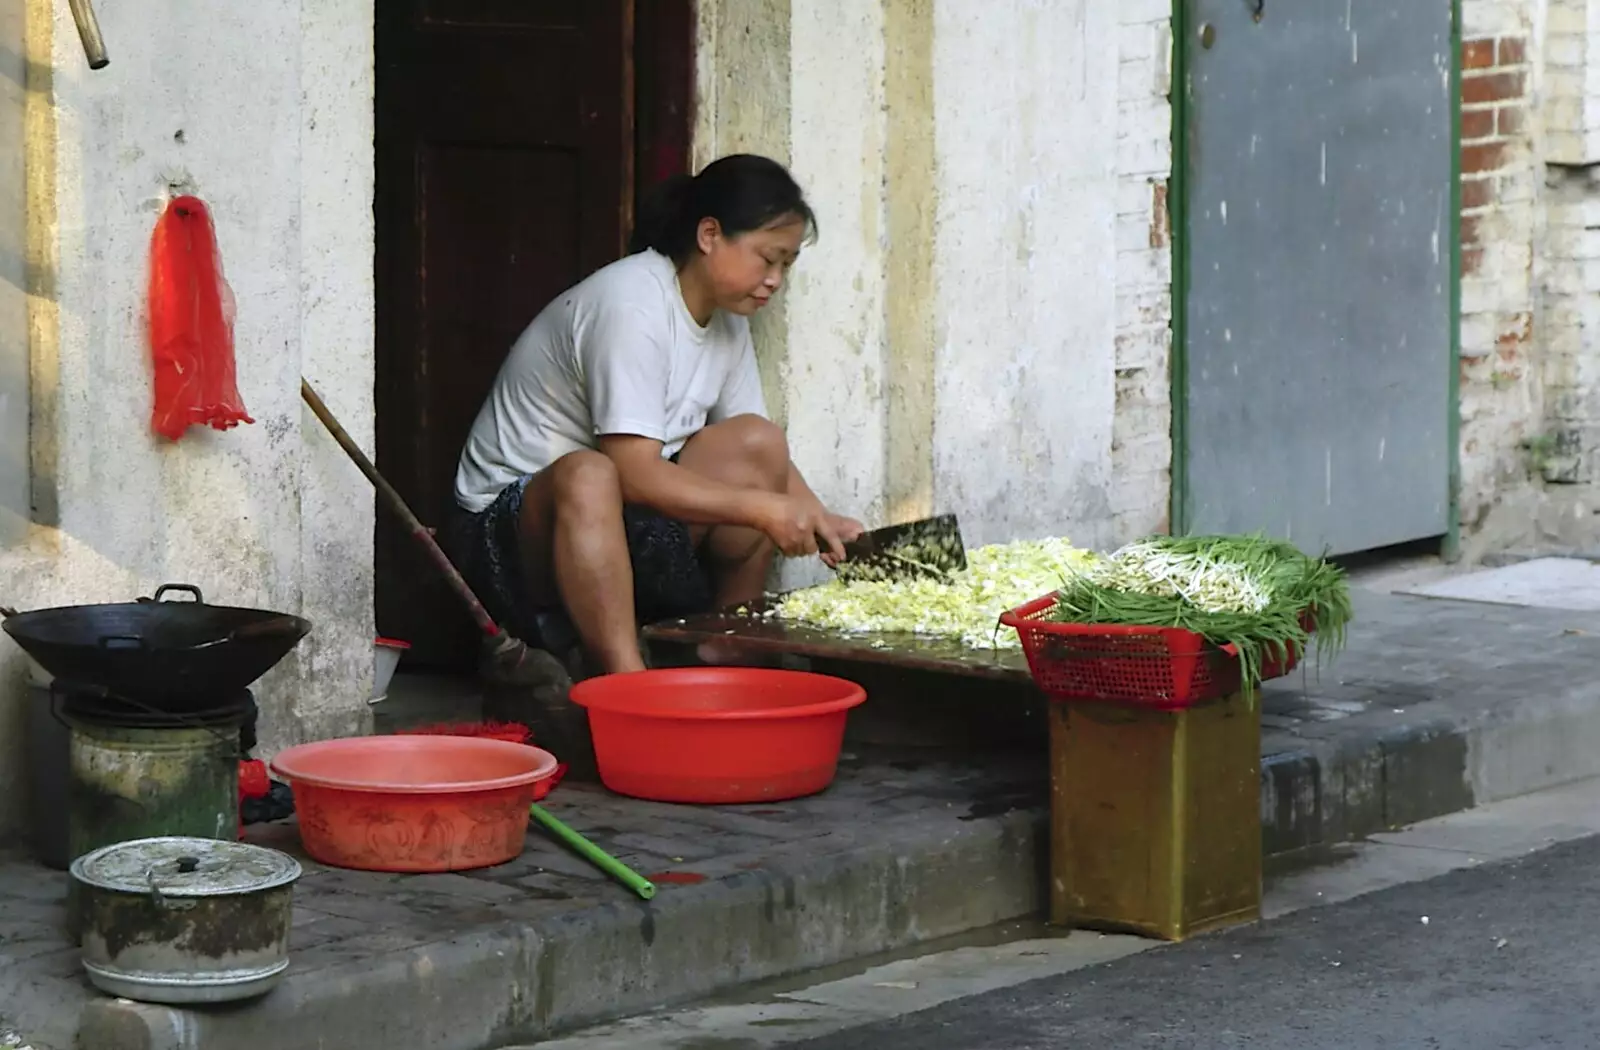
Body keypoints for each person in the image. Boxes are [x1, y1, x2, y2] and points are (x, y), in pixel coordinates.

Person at [447, 154, 864, 678]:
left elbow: (763, 457)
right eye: (767, 258)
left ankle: (730, 650)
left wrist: (817, 518)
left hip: (615, 529)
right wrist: (764, 509)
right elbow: (636, 472)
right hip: (506, 541)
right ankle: (627, 680)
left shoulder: (726, 318)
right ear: (709, 234)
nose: (775, 280)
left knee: (758, 442)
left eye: (787, 265)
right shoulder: (632, 302)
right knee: (589, 471)